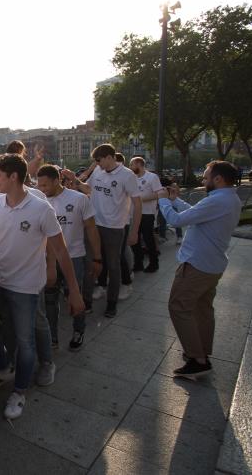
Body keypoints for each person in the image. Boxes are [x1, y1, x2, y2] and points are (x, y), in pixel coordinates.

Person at [0, 154, 84, 420]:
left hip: (26, 287)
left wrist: (74, 290)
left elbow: (61, 250)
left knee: (25, 339)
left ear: (13, 177)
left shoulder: (41, 208)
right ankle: (4, 369)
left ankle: (19, 391)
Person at [158, 161, 242, 378]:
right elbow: (195, 214)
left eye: (206, 177)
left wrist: (164, 201)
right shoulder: (228, 198)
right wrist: (176, 200)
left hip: (197, 265)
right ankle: (202, 352)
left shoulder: (219, 200)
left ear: (218, 179)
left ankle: (197, 359)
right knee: (203, 310)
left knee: (178, 307)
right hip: (212, 264)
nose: (203, 181)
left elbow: (176, 220)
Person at [65, 144, 142, 318]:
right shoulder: (99, 172)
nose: (97, 165)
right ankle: (87, 301)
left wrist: (134, 231)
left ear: (109, 157)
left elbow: (138, 203)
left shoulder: (127, 175)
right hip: (94, 225)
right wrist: (74, 180)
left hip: (114, 227)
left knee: (113, 265)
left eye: (99, 161)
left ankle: (111, 303)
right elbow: (88, 189)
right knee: (90, 264)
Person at [36, 165, 102, 352]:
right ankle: (52, 338)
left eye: (45, 185)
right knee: (49, 300)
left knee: (75, 296)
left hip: (74, 258)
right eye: (39, 185)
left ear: (57, 181)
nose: (42, 189)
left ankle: (78, 331)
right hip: (48, 261)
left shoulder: (79, 199)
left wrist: (97, 257)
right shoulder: (38, 201)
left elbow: (91, 229)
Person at [129, 157, 164, 272]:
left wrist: (140, 199)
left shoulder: (152, 177)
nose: (130, 167)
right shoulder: (132, 178)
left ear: (139, 164)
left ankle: (154, 263)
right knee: (135, 240)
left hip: (147, 213)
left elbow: (159, 194)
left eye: (132, 164)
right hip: (134, 213)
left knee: (148, 239)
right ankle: (138, 263)